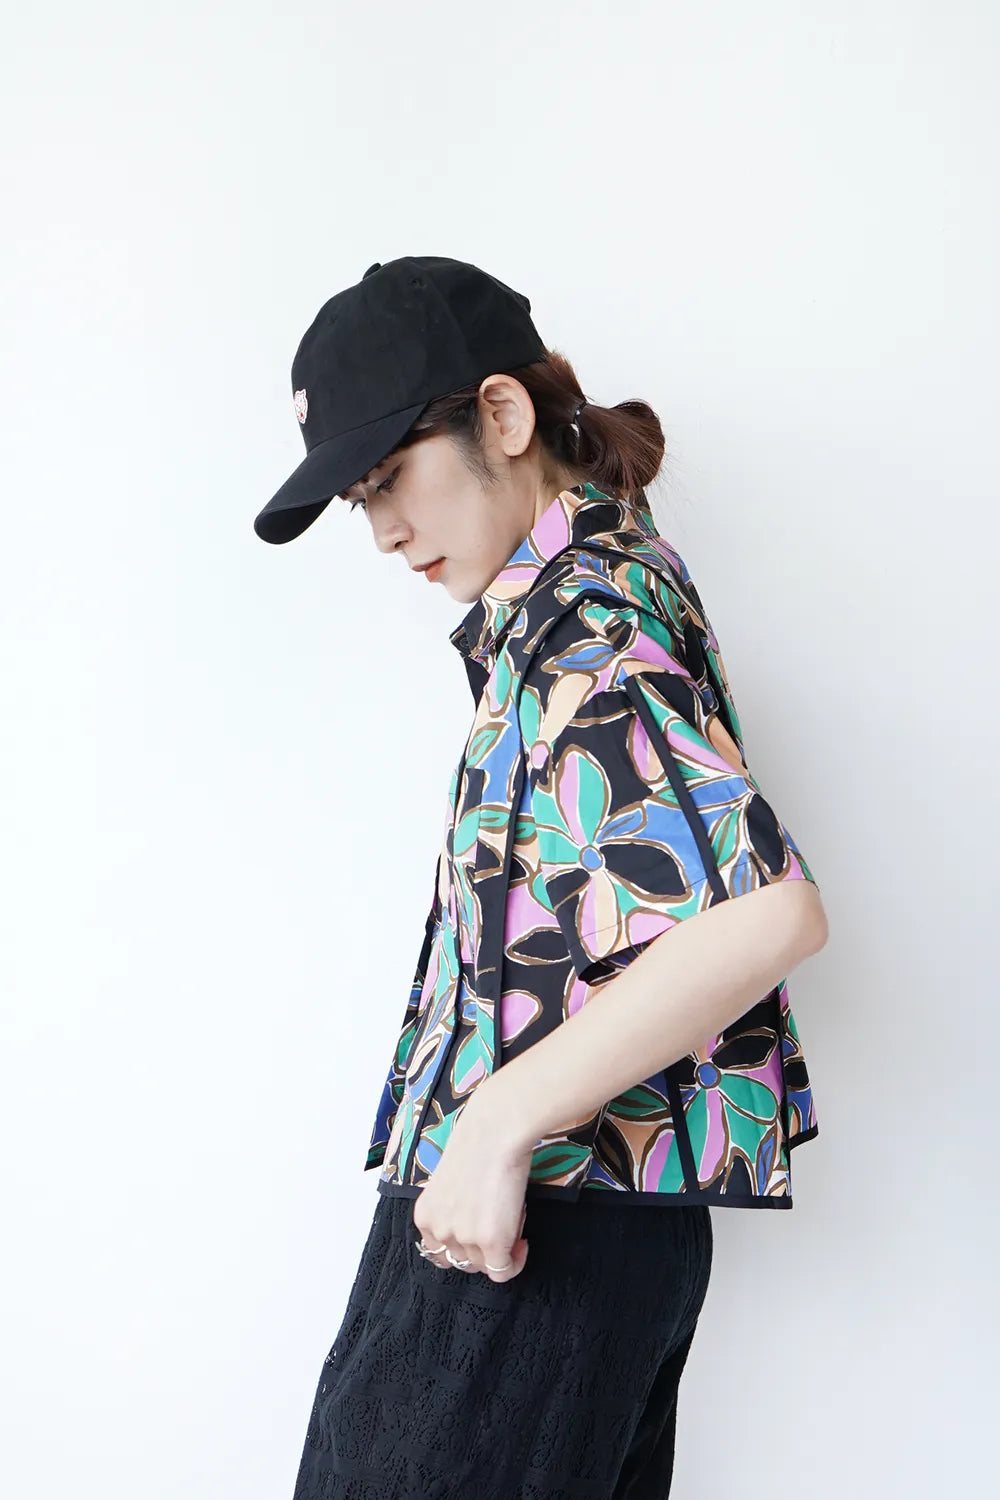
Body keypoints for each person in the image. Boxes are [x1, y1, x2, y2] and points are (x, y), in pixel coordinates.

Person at [254, 256, 829, 1499]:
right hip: (567, 1231)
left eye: (390, 476)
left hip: (533, 1234)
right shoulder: (591, 598)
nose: (384, 530)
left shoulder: (588, 625)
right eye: (360, 500)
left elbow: (768, 913)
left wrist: (497, 1122)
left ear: (502, 416)